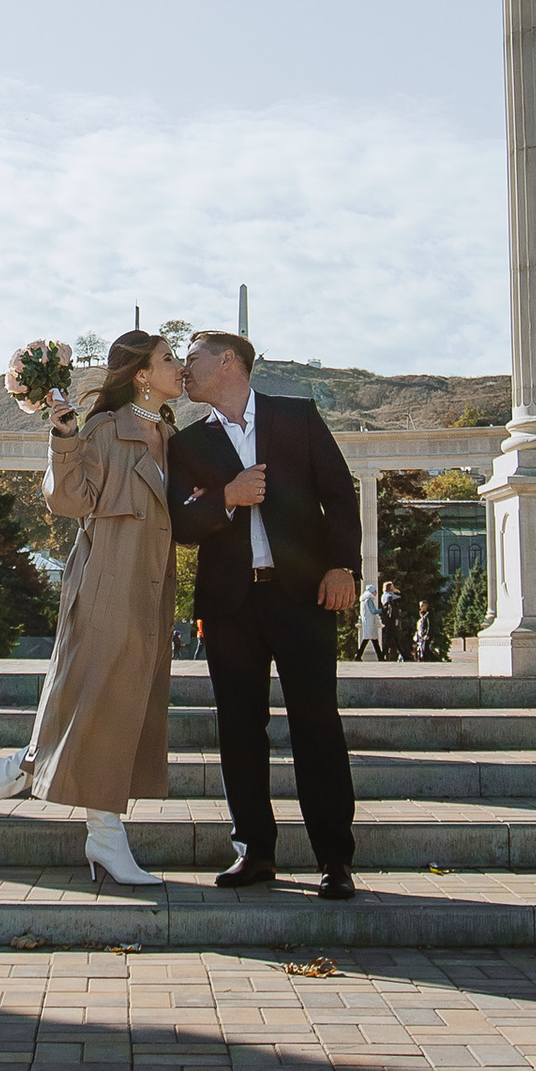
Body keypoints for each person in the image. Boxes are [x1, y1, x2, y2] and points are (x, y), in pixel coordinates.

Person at [0, 331, 181, 895]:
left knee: (113, 710)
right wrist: (63, 438)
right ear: (141, 374)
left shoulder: (168, 433)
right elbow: (69, 501)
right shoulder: (103, 428)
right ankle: (104, 836)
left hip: (151, 590)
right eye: (168, 359)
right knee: (103, 707)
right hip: (106, 586)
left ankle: (6, 774)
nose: (178, 366)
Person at [167, 329, 362, 901]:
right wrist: (227, 496)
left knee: (317, 725)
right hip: (230, 606)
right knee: (238, 730)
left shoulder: (296, 416)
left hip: (302, 597)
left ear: (228, 361)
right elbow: (179, 523)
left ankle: (335, 860)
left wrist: (342, 567)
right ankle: (254, 852)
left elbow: (339, 494)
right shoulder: (187, 442)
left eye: (192, 358)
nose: (184, 369)